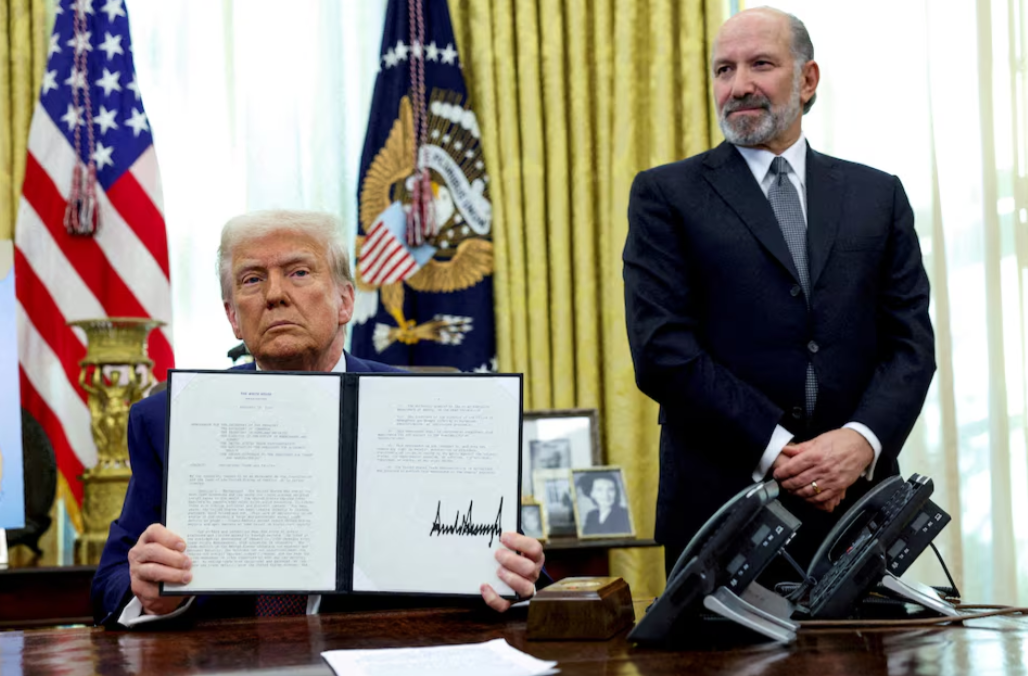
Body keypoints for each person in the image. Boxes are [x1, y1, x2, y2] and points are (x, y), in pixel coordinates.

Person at [91, 210, 545, 627]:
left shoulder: (437, 408)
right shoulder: (167, 419)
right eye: (251, 280)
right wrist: (149, 592)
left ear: (345, 301)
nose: (274, 295)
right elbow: (108, 585)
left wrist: (517, 578)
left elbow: (516, 571)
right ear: (233, 317)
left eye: (299, 272)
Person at [623, 8, 935, 577]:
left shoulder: (878, 195)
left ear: (807, 79)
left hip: (859, 511)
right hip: (720, 515)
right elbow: (662, 351)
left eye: (760, 64)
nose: (738, 85)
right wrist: (779, 450)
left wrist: (860, 442)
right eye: (723, 69)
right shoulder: (665, 195)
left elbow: (910, 346)